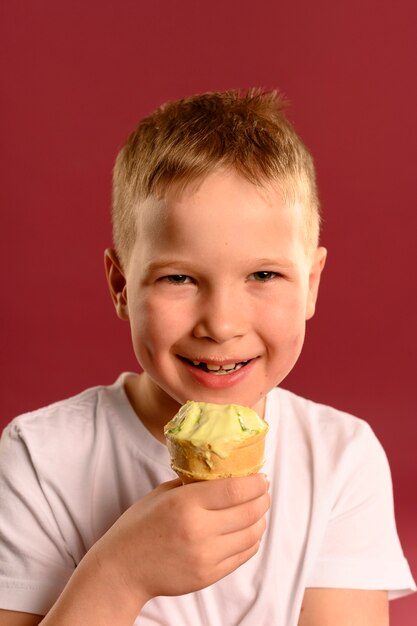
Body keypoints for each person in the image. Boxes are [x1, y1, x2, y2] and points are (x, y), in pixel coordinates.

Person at [0, 89, 415, 626]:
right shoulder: (40, 457)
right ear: (122, 285)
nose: (220, 325)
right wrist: (122, 573)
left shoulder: (339, 460)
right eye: (179, 278)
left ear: (311, 285)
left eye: (263, 275)